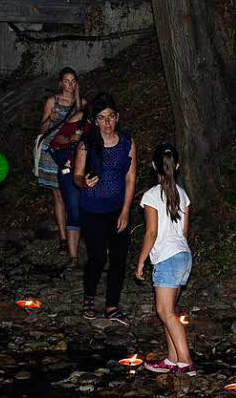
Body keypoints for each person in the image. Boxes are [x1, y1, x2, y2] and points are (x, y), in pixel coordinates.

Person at [74, 92, 136, 325]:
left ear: (117, 117)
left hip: (118, 208)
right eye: (101, 118)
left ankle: (112, 304)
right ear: (95, 120)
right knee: (98, 257)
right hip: (92, 209)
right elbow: (77, 176)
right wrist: (84, 182)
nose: (107, 122)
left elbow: (131, 177)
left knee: (119, 258)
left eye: (110, 117)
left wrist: (126, 210)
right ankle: (89, 297)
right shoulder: (87, 144)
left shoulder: (127, 142)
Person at [136, 144, 195, 376]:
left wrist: (141, 261)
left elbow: (151, 233)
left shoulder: (151, 195)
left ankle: (186, 361)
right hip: (183, 256)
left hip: (167, 259)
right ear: (177, 166)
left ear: (153, 166)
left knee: (165, 312)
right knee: (168, 311)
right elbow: (185, 232)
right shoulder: (183, 194)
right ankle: (172, 359)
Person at [37, 68, 84, 260]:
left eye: (73, 81)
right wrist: (50, 119)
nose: (70, 85)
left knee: (73, 193)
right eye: (66, 81)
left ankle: (77, 233)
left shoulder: (80, 103)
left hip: (71, 153)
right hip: (51, 152)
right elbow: (41, 129)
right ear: (61, 83)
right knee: (58, 194)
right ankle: (64, 239)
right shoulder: (52, 101)